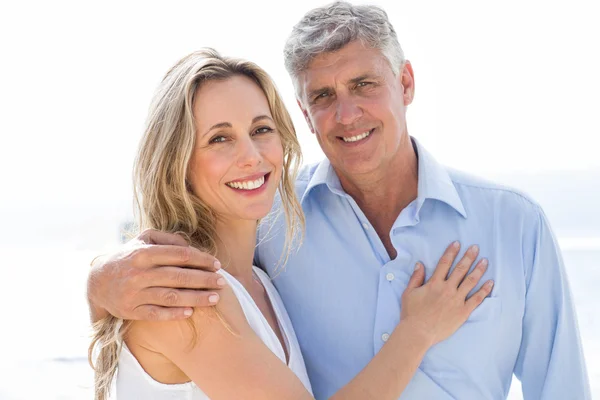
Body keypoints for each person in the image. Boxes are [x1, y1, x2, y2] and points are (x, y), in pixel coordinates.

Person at [87, 2, 591, 399]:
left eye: (363, 84)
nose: (347, 114)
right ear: (305, 116)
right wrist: (98, 283)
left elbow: (562, 388)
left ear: (406, 83)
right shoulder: (267, 226)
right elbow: (159, 261)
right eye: (323, 97)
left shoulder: (514, 225)